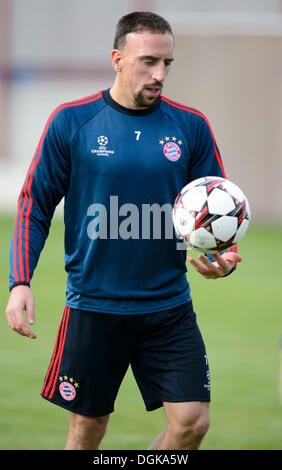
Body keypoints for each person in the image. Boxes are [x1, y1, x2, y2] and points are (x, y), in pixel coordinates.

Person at [5, 11, 242, 450]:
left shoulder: (190, 126)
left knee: (192, 422)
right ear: (118, 58)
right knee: (86, 431)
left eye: (167, 64)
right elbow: (33, 205)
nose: (160, 74)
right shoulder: (72, 122)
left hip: (168, 306)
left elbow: (218, 210)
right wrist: (20, 281)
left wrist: (223, 259)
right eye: (148, 61)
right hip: (95, 307)